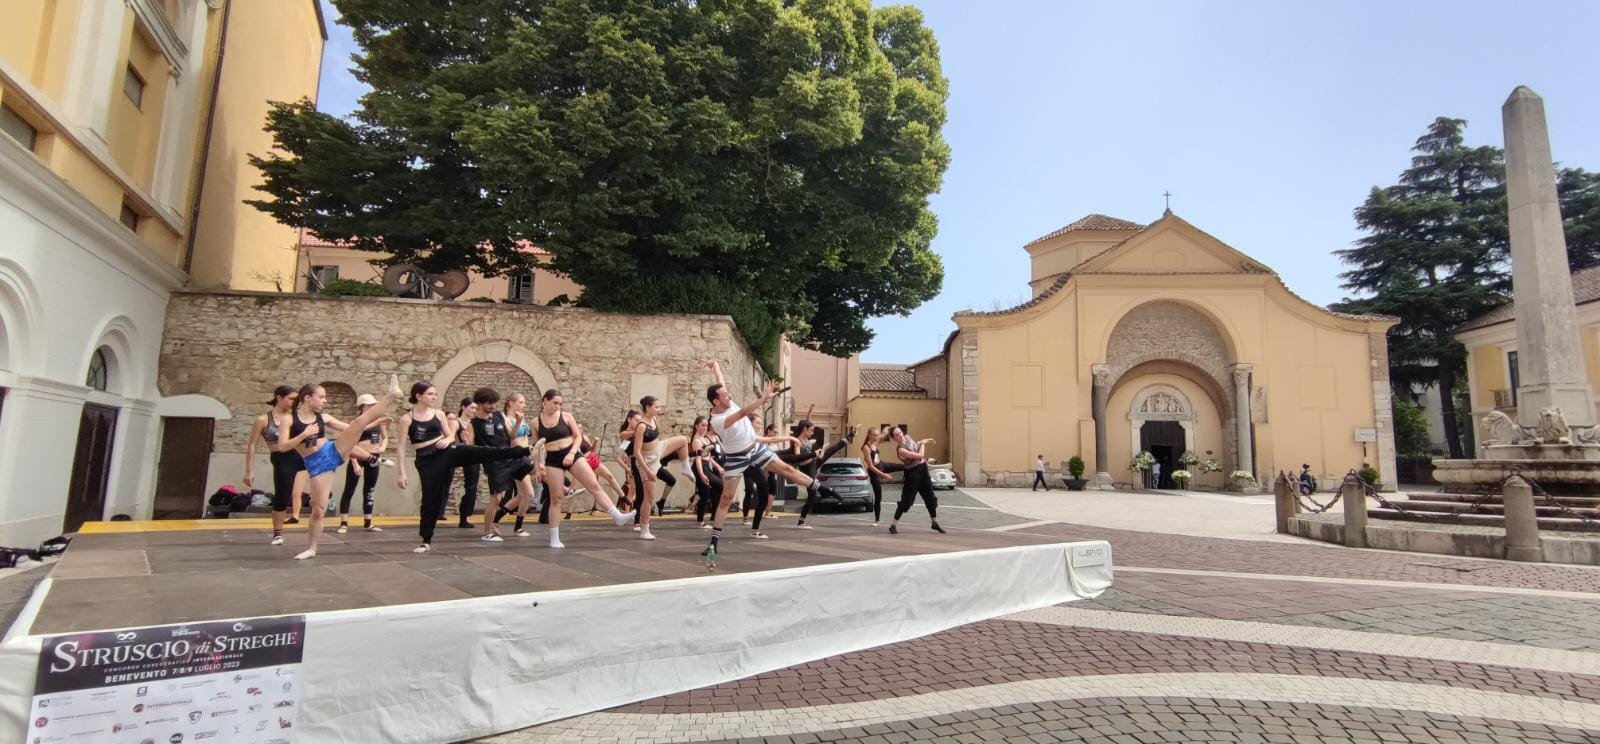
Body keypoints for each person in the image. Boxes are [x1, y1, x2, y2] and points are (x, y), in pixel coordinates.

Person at [701, 360, 839, 558]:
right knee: (726, 499)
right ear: (716, 401)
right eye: (724, 395)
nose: (729, 396)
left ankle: (822, 489)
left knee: (788, 469)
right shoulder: (719, 420)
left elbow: (719, 380)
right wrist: (764, 398)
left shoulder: (724, 399)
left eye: (727, 393)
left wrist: (715, 366)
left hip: (755, 448)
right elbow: (742, 413)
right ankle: (713, 543)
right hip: (736, 457)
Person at [396, 381, 532, 554]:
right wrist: (401, 473)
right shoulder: (407, 419)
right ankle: (425, 540)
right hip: (427, 459)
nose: (434, 397)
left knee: (481, 451)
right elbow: (400, 447)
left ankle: (524, 451)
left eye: (435, 394)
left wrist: (449, 438)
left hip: (446, 450)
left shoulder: (438, 414)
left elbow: (450, 433)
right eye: (431, 394)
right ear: (419, 396)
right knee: (431, 499)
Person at [277, 377, 402, 560]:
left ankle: (391, 395)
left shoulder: (324, 417)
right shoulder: (288, 419)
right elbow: (283, 447)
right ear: (307, 398)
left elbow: (354, 427)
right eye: (321, 397)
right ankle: (312, 548)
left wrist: (376, 424)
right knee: (318, 509)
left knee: (357, 425)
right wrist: (304, 434)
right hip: (316, 463)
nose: (325, 400)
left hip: (332, 450)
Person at [532, 389, 636, 548]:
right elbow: (537, 446)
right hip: (552, 459)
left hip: (571, 453)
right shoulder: (535, 422)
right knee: (556, 498)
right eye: (555, 403)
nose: (557, 406)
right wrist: (538, 468)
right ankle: (554, 538)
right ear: (545, 401)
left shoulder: (566, 416)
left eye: (560, 403)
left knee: (594, 485)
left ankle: (617, 516)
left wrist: (572, 453)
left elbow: (578, 437)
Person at [471, 388, 539, 541]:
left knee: (531, 488)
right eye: (490, 403)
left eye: (495, 403)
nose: (493, 406)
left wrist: (519, 422)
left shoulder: (499, 416)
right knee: (496, 497)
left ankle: (565, 489)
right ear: (481, 403)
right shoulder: (474, 423)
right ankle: (487, 531)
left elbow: (512, 435)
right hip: (495, 463)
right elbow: (471, 446)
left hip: (511, 458)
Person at [244, 385, 305, 545]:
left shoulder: (294, 417)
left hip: (299, 455)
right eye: (291, 399)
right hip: (281, 457)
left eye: (296, 399)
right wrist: (249, 470)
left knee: (299, 491)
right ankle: (277, 532)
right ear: (279, 397)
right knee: (282, 493)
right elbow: (252, 445)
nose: (294, 402)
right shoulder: (264, 420)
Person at [632, 396, 693, 540]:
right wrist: (647, 471)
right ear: (648, 407)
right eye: (656, 407)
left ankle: (686, 467)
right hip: (647, 460)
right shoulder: (641, 426)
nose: (659, 409)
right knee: (649, 497)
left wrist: (662, 449)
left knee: (683, 440)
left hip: (658, 449)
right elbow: (637, 452)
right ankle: (644, 529)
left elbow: (654, 440)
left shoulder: (653, 419)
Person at [336, 393, 389, 534]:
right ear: (363, 406)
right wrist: (355, 463)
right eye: (370, 405)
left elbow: (385, 438)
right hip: (359, 457)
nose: (373, 407)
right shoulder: (357, 422)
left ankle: (368, 522)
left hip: (374, 456)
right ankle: (344, 522)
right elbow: (351, 444)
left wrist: (383, 447)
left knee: (370, 490)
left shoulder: (378, 422)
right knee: (349, 489)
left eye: (374, 405)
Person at [886, 426, 944, 535]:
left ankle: (934, 522)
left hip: (923, 470)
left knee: (930, 497)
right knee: (907, 500)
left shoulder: (907, 437)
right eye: (897, 435)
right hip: (912, 474)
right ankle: (893, 525)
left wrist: (921, 442)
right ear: (894, 439)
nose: (901, 435)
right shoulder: (901, 450)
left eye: (900, 433)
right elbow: (919, 455)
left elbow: (914, 446)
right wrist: (923, 443)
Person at [453, 398, 482, 529]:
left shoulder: (474, 423)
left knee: (472, 488)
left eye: (475, 408)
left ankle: (465, 516)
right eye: (471, 408)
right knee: (470, 487)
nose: (474, 411)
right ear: (463, 407)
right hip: (462, 456)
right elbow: (451, 441)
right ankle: (463, 517)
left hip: (474, 456)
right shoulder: (456, 423)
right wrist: (463, 441)